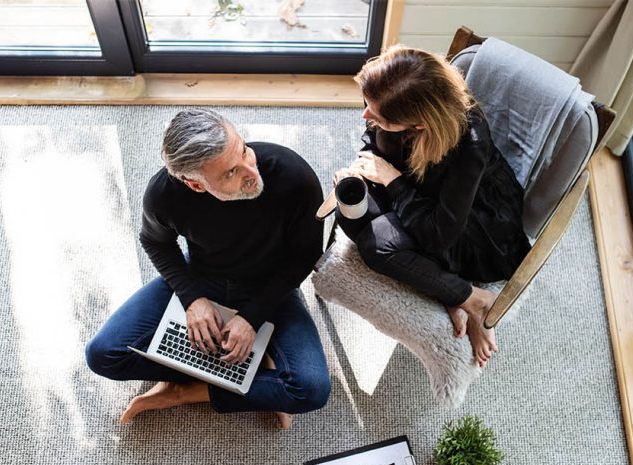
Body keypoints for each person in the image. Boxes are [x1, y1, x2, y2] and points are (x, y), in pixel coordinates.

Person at [85, 108, 330, 425]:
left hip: (272, 287)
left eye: (243, 150)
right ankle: (256, 377)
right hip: (203, 277)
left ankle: (185, 391)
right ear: (196, 185)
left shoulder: (292, 175)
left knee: (310, 390)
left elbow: (306, 254)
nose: (250, 172)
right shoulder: (163, 194)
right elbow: (155, 241)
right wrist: (192, 299)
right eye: (230, 173)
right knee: (103, 355)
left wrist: (252, 318)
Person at [326, 46, 531, 368]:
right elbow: (373, 141)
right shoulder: (388, 97)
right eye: (367, 104)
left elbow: (438, 235)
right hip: (411, 189)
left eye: (378, 116)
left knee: (380, 247)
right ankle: (461, 295)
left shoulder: (470, 143)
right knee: (350, 210)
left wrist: (392, 181)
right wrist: (363, 166)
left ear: (419, 125)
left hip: (471, 223)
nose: (365, 116)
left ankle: (470, 300)